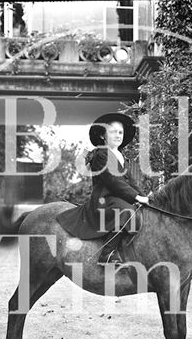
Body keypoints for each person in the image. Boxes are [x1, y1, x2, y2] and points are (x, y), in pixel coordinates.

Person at [56, 113, 149, 264]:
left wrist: (145, 197)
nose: (118, 135)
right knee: (127, 212)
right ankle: (107, 253)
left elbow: (130, 181)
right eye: (113, 132)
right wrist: (135, 197)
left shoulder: (120, 156)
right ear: (103, 135)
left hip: (118, 198)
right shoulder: (101, 154)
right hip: (104, 199)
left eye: (120, 132)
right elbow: (113, 181)